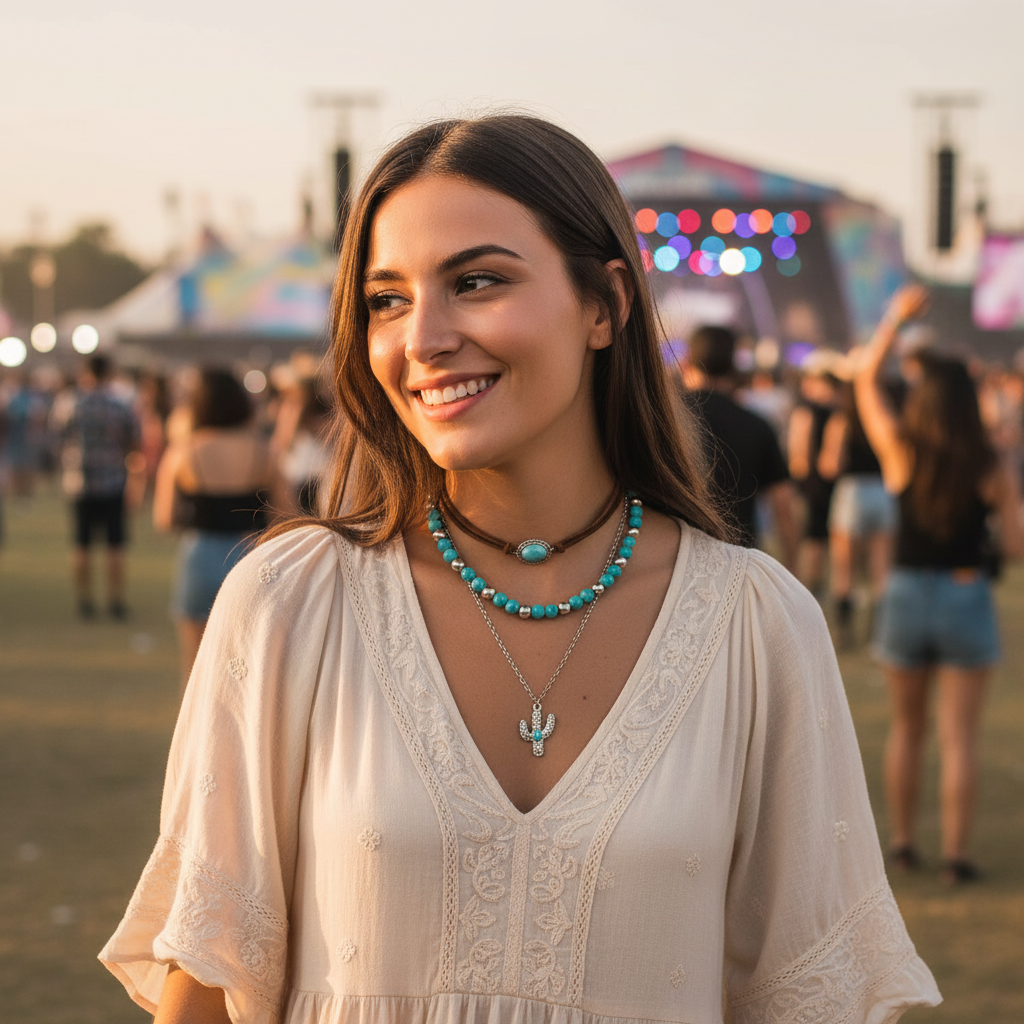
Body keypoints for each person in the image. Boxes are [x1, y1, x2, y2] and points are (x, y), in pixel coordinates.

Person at [100, 115, 939, 1024]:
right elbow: (207, 989)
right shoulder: (291, 604)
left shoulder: (757, 625)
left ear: (604, 305)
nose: (422, 337)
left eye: (477, 282)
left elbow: (813, 997)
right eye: (386, 299)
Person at [855, 284, 1024, 883]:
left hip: (904, 591)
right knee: (960, 738)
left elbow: (865, 382)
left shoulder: (903, 449)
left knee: (908, 729)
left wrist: (896, 318)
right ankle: (957, 855)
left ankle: (902, 844)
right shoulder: (991, 462)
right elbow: (1014, 545)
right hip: (964, 594)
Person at [153, 368, 289, 687]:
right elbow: (287, 516)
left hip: (199, 555)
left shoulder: (183, 452)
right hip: (252, 556)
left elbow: (165, 519)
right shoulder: (264, 452)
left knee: (196, 668)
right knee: (252, 668)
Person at [681, 325, 800, 569]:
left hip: (672, 565)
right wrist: (793, 573)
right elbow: (783, 508)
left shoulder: (662, 420)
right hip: (737, 565)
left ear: (686, 362)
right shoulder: (756, 425)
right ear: (734, 366)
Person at [62, 354, 142, 619]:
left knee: (81, 544)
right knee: (115, 545)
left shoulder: (72, 404)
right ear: (109, 374)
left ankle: (85, 602)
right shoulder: (119, 405)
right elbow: (134, 440)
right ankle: (115, 601)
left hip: (80, 482)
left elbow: (58, 437)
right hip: (113, 481)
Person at [819, 381, 896, 647]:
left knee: (844, 568)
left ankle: (844, 632)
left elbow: (831, 465)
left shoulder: (842, 421)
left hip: (852, 492)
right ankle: (881, 633)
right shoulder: (883, 419)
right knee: (882, 569)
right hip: (884, 492)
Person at [786, 358, 838, 597]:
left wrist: (798, 480)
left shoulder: (805, 410)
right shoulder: (840, 410)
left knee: (813, 537)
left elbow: (798, 450)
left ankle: (812, 586)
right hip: (833, 482)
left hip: (811, 484)